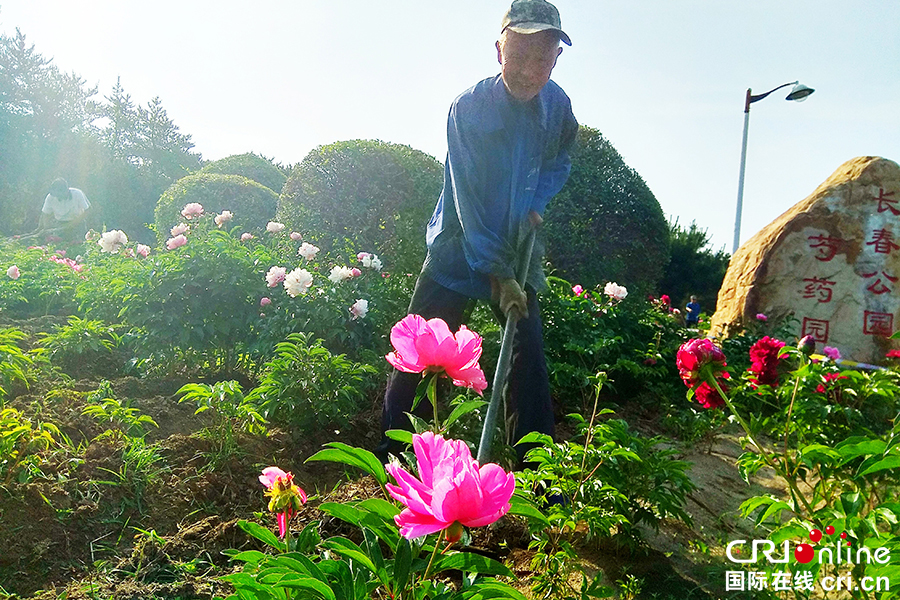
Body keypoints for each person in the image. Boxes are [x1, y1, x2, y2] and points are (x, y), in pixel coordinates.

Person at [376, 0, 578, 466]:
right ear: (498, 51)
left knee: (527, 358)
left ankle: (537, 472)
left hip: (517, 246)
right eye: (520, 56)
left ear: (556, 59)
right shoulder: (469, 108)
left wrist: (534, 203)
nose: (531, 71)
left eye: (542, 60)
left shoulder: (557, 105)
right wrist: (499, 275)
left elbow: (559, 160)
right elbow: (469, 201)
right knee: (419, 354)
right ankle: (394, 459)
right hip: (457, 248)